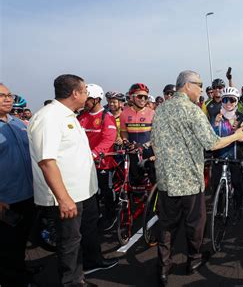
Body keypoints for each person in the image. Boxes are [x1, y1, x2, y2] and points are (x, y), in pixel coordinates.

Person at [150, 70, 243, 286]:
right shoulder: (192, 111)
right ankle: (193, 260)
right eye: (199, 85)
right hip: (189, 180)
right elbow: (212, 143)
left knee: (167, 225)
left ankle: (163, 267)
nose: (202, 89)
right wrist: (237, 136)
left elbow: (154, 141)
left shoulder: (160, 109)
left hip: (166, 180)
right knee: (195, 223)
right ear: (187, 85)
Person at [28, 74, 118, 287]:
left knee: (87, 232)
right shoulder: (49, 118)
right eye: (85, 90)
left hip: (84, 191)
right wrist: (64, 198)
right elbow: (47, 161)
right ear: (75, 93)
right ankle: (73, 282)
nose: (88, 95)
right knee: (69, 242)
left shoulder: (70, 116)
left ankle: (92, 261)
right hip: (67, 195)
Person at [0, 84, 35, 287]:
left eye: (9, 95)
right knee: (6, 244)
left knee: (20, 240)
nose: (7, 99)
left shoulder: (19, 124)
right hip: (5, 199)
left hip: (26, 194)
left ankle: (20, 270)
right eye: (2, 96)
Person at [78, 84, 118, 231]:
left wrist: (94, 153)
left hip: (102, 163)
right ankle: (94, 216)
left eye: (87, 99)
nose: (84, 102)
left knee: (106, 190)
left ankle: (111, 215)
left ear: (95, 99)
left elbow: (109, 139)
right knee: (90, 193)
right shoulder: (82, 116)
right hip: (84, 162)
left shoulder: (106, 116)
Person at [211, 87, 243, 223]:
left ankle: (237, 208)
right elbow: (210, 137)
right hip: (219, 156)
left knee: (237, 184)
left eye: (232, 100)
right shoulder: (216, 115)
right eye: (225, 100)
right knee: (215, 184)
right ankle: (218, 210)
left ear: (236, 101)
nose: (228, 103)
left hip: (236, 156)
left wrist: (239, 131)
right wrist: (216, 124)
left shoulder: (241, 117)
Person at [120, 83, 156, 184]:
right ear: (131, 97)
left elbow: (157, 135)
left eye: (146, 97)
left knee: (154, 181)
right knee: (135, 182)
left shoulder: (152, 113)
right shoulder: (124, 114)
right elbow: (124, 132)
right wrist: (125, 141)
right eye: (140, 96)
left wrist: (149, 147)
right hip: (132, 152)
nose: (143, 99)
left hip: (149, 152)